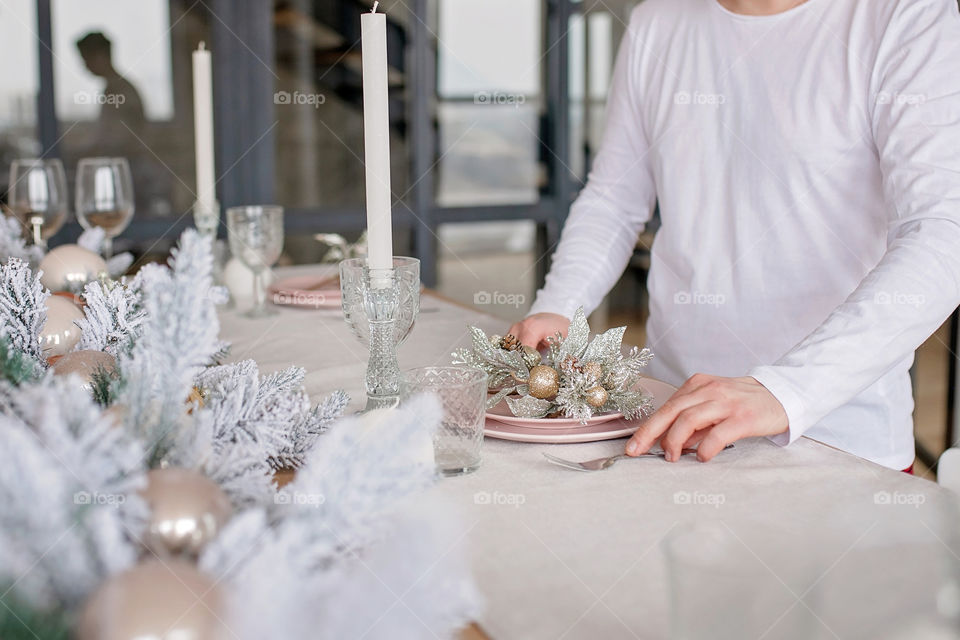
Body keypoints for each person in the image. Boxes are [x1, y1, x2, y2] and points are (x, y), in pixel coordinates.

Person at [509, 0, 960, 471]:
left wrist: (787, 388)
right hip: (671, 425)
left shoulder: (906, 14)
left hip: (838, 440)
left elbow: (942, 231)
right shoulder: (656, 20)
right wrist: (559, 305)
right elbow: (613, 199)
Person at [75, 31, 147, 153]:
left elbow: (117, 141)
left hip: (127, 162)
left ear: (101, 56)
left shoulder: (119, 90)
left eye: (86, 59)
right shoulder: (115, 87)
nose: (85, 66)